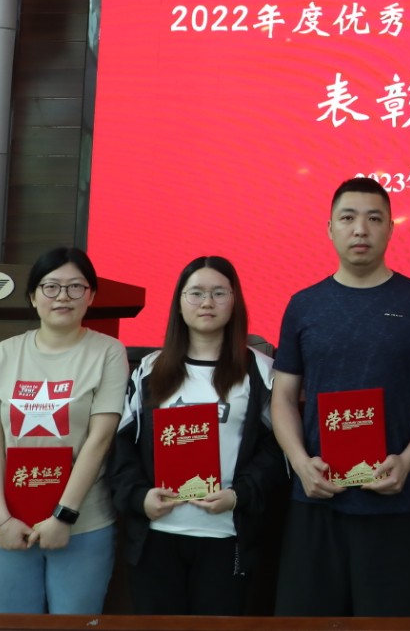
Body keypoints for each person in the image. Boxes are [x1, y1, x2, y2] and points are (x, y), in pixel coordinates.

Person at [271, 176, 410, 616]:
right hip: (317, 495)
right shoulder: (304, 304)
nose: (360, 229)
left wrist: (407, 460)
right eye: (348, 218)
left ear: (390, 228)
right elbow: (283, 397)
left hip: (393, 497)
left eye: (374, 219)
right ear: (330, 228)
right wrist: (300, 463)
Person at [110, 256, 288, 614]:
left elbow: (277, 448)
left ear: (234, 301)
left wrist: (238, 495)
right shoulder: (149, 369)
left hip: (226, 533)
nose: (207, 302)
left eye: (219, 293)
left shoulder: (261, 371)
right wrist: (140, 498)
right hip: (157, 534)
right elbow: (121, 445)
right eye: (196, 293)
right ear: (179, 303)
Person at [0, 247, 128, 614]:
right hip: (7, 524)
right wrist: (0, 518)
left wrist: (63, 516)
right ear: (33, 296)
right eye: (51, 286)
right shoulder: (5, 353)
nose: (63, 296)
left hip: (82, 524)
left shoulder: (107, 351)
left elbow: (100, 440)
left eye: (75, 287)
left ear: (91, 295)